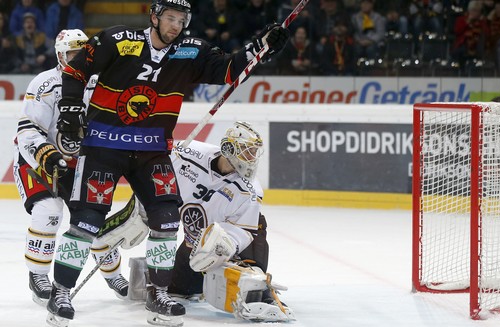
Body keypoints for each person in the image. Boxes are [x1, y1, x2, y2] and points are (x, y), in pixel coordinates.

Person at [47, 1, 290, 326]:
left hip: (152, 150)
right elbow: (76, 70)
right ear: (154, 17)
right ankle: (60, 292)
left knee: (165, 221)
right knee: (87, 221)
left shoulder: (190, 51)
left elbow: (230, 70)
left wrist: (262, 47)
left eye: (182, 20)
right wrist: (69, 111)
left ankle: (158, 295)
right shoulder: (118, 39)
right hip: (104, 145)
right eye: (170, 18)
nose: (176, 25)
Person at [113, 122, 294, 322]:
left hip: (225, 244)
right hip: (193, 242)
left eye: (254, 153)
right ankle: (153, 271)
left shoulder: (250, 190)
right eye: (247, 152)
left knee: (257, 227)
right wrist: (147, 196)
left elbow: (244, 232)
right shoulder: (187, 152)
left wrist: (224, 246)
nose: (251, 158)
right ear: (229, 148)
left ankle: (259, 288)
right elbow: (154, 169)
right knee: (176, 289)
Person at [12, 29, 129, 307]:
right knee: (48, 212)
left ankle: (114, 274)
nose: (77, 59)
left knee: (93, 223)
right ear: (59, 54)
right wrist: (45, 153)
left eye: (81, 53)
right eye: (71, 54)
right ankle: (39, 275)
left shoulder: (100, 83)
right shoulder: (45, 82)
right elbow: (28, 129)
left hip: (81, 165)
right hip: (40, 162)